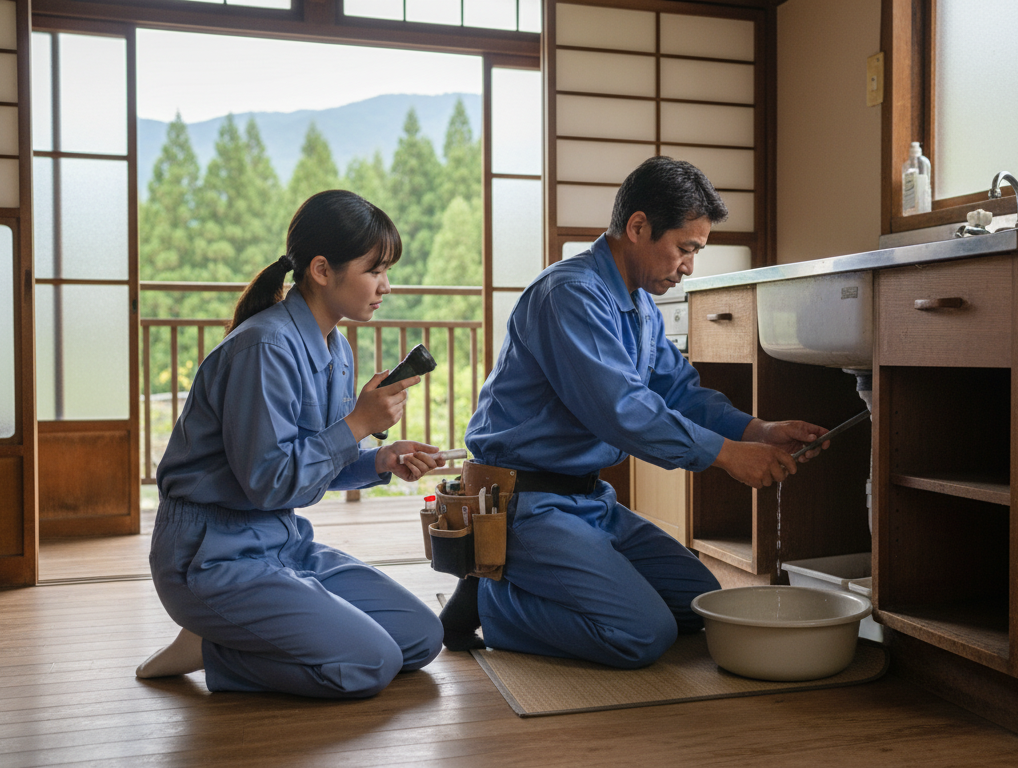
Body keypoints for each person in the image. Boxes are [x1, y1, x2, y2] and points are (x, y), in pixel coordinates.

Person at [442, 157, 829, 665]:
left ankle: (535, 578)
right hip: (523, 502)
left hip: (589, 501)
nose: (689, 266)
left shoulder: (641, 306)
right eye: (685, 248)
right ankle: (491, 599)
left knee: (697, 605)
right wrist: (728, 455)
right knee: (642, 634)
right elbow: (622, 411)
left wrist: (758, 430)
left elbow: (681, 393)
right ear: (638, 226)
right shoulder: (570, 295)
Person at [135, 190, 447, 698]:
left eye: (387, 271)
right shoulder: (264, 347)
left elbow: (314, 464)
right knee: (371, 662)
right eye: (374, 270)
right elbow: (271, 482)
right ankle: (212, 648)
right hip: (210, 557)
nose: (386, 286)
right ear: (322, 270)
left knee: (421, 637)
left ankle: (244, 631)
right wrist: (359, 423)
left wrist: (381, 460)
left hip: (282, 542)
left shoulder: (336, 349)